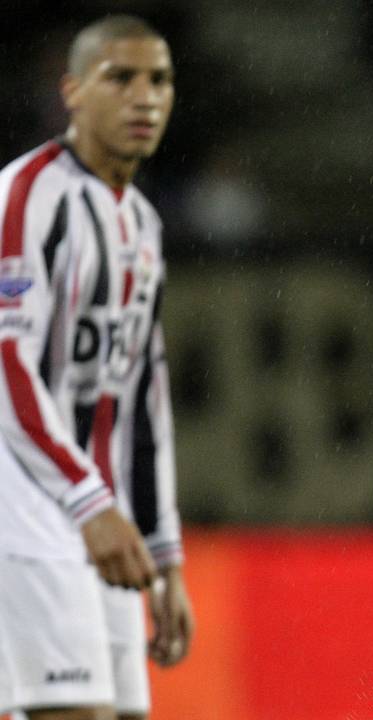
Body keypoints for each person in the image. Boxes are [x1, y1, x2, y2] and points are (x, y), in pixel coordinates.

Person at [0, 15, 193, 720]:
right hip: (23, 503)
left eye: (160, 80)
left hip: (100, 515)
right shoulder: (23, 198)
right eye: (121, 78)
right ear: (73, 92)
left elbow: (142, 393)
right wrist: (88, 503)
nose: (145, 97)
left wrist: (165, 556)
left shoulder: (142, 222)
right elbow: (7, 365)